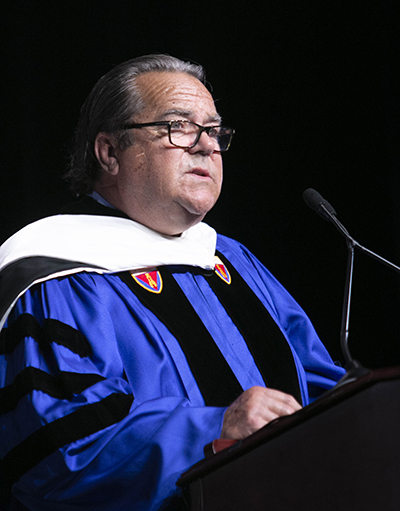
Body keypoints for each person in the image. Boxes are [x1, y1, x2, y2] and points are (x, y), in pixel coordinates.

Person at [0, 54, 344, 511]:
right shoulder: (55, 273)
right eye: (178, 127)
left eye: (214, 131)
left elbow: (323, 392)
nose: (206, 146)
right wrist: (215, 429)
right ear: (109, 152)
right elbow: (60, 451)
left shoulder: (232, 262)